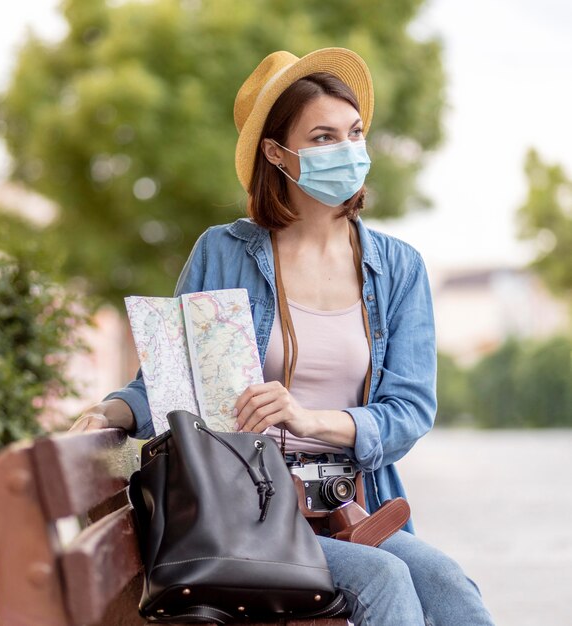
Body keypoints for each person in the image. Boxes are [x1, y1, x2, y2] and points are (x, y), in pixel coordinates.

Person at [72, 48, 495, 625]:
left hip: (351, 509)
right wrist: (111, 412)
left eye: (354, 133)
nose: (346, 151)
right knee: (386, 579)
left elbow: (410, 410)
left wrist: (309, 418)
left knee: (448, 585)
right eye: (322, 137)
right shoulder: (223, 253)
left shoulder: (398, 268)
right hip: (247, 515)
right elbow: (169, 385)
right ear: (278, 153)